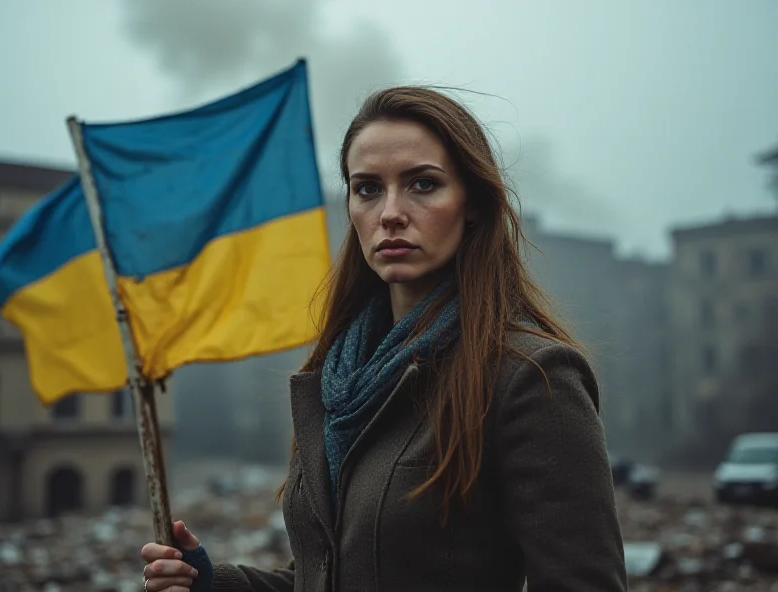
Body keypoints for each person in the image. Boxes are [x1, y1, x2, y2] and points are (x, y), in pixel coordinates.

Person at [141, 86, 628, 592]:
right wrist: (214, 584)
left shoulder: (531, 379)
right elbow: (333, 576)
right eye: (368, 188)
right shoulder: (338, 379)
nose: (390, 212)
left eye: (422, 184)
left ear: (474, 205)